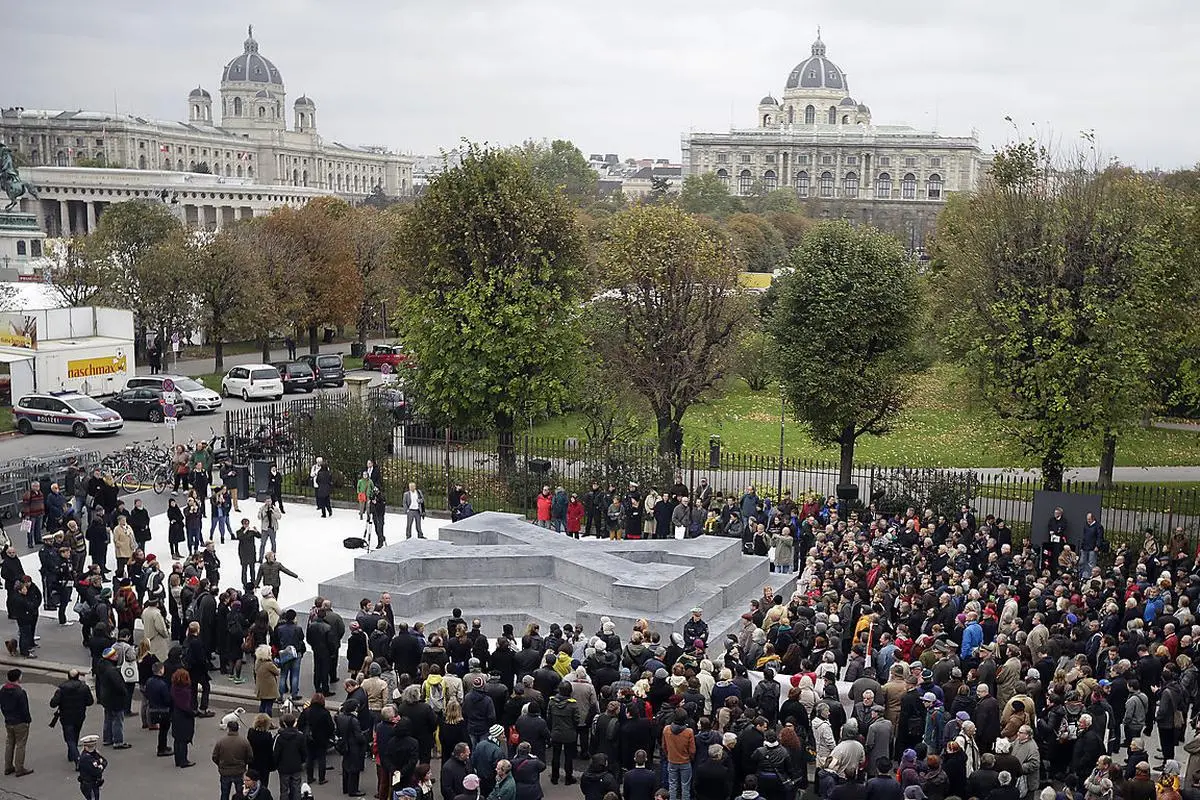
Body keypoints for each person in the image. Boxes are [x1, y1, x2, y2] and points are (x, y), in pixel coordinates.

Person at [50, 668, 95, 765]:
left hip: (66, 716)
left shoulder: (62, 688)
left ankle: (76, 758)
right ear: (78, 676)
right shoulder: (84, 687)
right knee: (75, 734)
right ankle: (71, 754)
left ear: (68, 676)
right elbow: (90, 702)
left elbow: (53, 703)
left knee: (69, 738)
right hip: (80, 715)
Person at [96, 646, 130, 749]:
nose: (117, 655)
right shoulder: (112, 670)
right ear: (110, 657)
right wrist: (125, 692)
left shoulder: (101, 666)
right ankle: (118, 741)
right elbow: (119, 685)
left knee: (108, 718)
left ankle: (107, 739)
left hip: (106, 696)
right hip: (115, 698)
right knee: (118, 720)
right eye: (114, 655)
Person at [0, 668, 33, 777]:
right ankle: (19, 768)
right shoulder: (20, 692)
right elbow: (24, 709)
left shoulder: (3, 690)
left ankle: (8, 766)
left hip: (9, 720)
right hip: (20, 722)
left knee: (10, 743)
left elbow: (2, 706)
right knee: (20, 744)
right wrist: (28, 720)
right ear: (18, 678)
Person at [214, 719, 255, 800]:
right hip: (239, 771)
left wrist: (220, 764)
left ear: (228, 728)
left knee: (224, 794)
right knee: (240, 794)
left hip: (225, 771)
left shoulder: (221, 742)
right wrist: (244, 764)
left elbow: (215, 757)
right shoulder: (244, 742)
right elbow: (250, 757)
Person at [171, 667, 197, 767]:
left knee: (177, 739)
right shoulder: (185, 691)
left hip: (176, 715)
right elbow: (186, 706)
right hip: (184, 718)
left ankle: (178, 760)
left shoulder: (174, 688)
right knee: (183, 740)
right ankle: (184, 760)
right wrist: (192, 713)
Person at [77, 734, 108, 800]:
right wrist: (100, 765)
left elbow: (105, 761)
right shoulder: (86, 758)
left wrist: (100, 765)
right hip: (89, 785)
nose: (92, 748)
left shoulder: (94, 753)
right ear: (85, 747)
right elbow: (96, 771)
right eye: (90, 747)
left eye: (93, 746)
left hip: (94, 784)